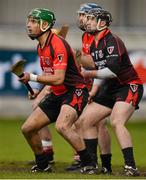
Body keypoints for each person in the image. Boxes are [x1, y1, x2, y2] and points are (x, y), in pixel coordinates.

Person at [18, 8, 97, 174]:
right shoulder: (41, 46)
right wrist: (37, 91)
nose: (28, 25)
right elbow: (49, 73)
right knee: (27, 128)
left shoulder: (57, 44)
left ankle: (89, 163)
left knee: (62, 126)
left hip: (75, 91)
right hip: (57, 93)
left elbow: (59, 78)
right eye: (29, 21)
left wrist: (31, 77)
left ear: (45, 25)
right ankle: (42, 165)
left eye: (33, 22)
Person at [79, 7, 143, 176]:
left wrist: (88, 74)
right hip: (110, 87)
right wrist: (94, 89)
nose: (87, 21)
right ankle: (92, 165)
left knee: (116, 121)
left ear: (102, 23)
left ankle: (131, 166)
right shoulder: (93, 42)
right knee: (86, 121)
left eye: (91, 19)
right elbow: (102, 69)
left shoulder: (112, 40)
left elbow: (112, 71)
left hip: (128, 85)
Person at [65, 3, 112, 174]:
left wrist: (76, 56)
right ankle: (93, 161)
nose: (81, 19)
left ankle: (93, 161)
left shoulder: (97, 37)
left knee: (94, 123)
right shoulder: (86, 36)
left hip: (100, 82)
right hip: (91, 82)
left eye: (84, 16)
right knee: (90, 122)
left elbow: (96, 64)